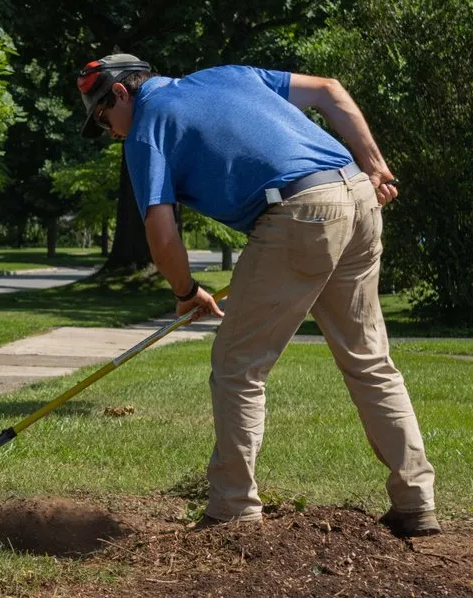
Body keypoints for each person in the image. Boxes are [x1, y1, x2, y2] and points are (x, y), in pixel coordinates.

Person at [76, 54, 439, 537]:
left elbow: (160, 233)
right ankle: (417, 503)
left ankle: (233, 510)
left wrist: (185, 292)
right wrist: (377, 169)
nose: (109, 132)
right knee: (369, 360)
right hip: (356, 195)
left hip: (299, 214)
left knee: (238, 366)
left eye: (103, 119)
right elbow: (330, 89)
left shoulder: (147, 129)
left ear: (121, 93)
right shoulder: (228, 75)